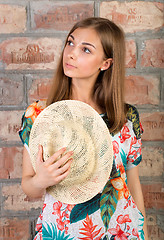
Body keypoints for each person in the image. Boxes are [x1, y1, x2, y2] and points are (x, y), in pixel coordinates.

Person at [19, 17, 148, 239]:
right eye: (70, 42)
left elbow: (133, 184)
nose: (71, 53)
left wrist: (143, 232)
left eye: (86, 50)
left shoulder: (126, 117)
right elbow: (28, 185)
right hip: (62, 232)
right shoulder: (40, 114)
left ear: (105, 63)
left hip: (121, 231)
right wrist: (42, 180)